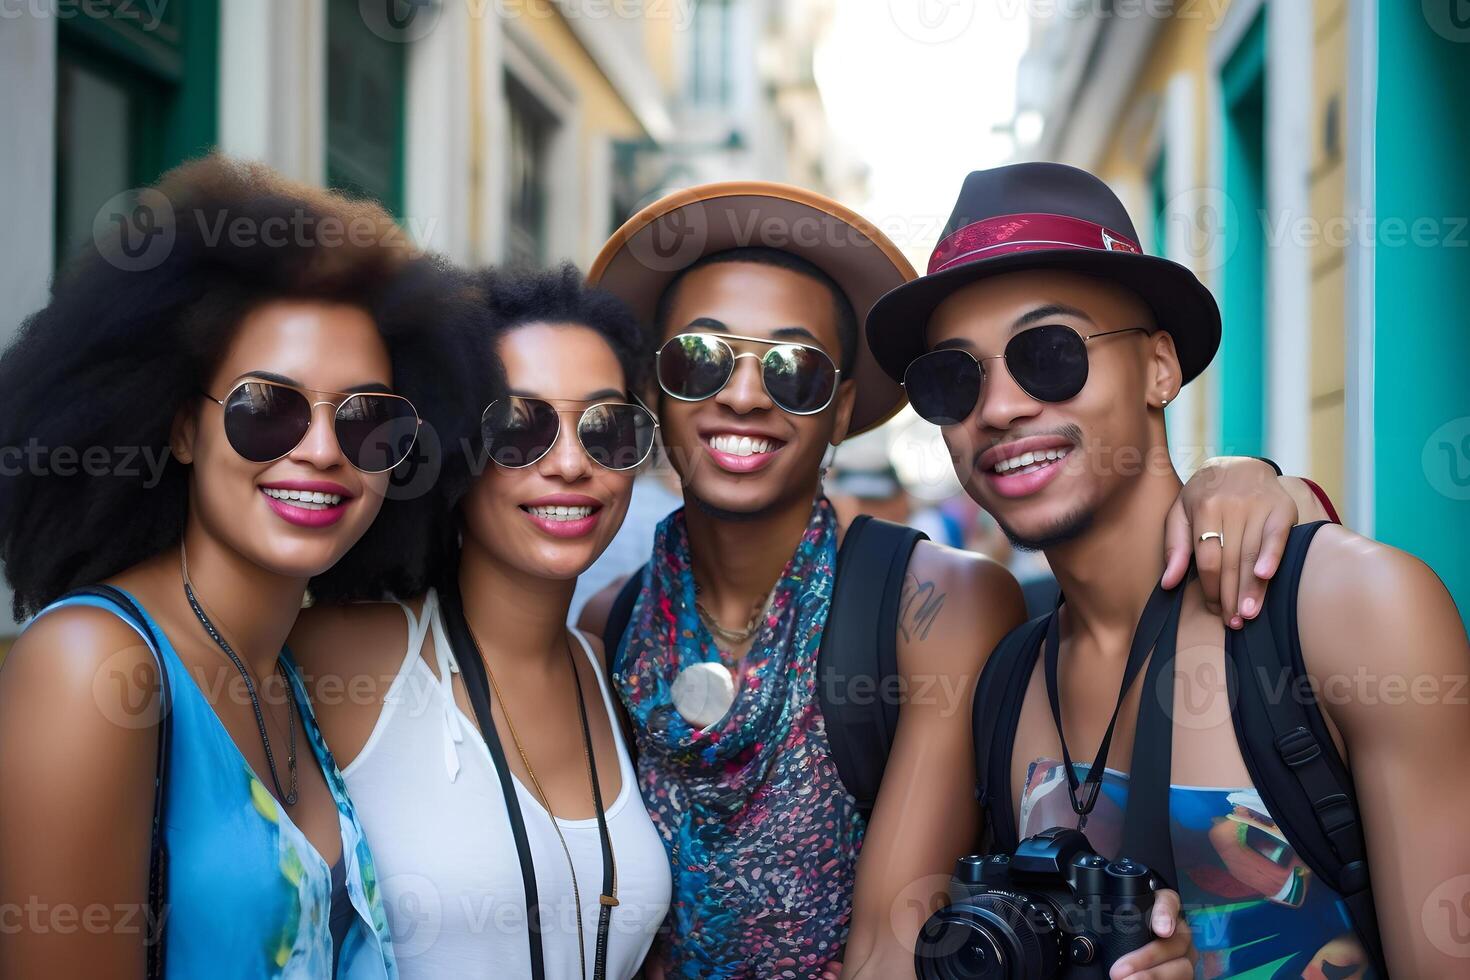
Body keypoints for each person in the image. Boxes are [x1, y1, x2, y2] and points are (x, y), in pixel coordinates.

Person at [579, 182, 1327, 979]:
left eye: (795, 370)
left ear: (840, 412)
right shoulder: (609, 627)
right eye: (698, 360)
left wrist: (1259, 486)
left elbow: (894, 947)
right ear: (653, 392)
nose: (742, 394)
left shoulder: (935, 608)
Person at [867, 160, 1470, 978]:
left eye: (1048, 353)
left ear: (1159, 368)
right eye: (953, 379)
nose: (1000, 407)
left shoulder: (1355, 613)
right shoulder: (1007, 681)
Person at [0, 156, 483, 977]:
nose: (324, 451)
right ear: (182, 430)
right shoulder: (96, 667)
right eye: (269, 408)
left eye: (368, 420)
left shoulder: (288, 673)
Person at [289, 265, 672, 980]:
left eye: (607, 428)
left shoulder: (605, 664)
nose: (569, 463)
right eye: (519, 427)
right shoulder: (340, 655)